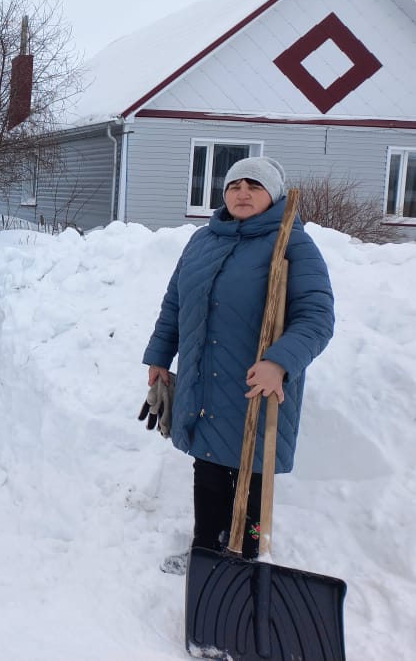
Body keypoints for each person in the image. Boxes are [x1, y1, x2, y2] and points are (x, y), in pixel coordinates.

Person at [140, 156, 334, 573]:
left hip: (257, 382)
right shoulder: (203, 240)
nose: (242, 193)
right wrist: (159, 355)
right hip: (204, 377)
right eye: (234, 185)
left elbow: (316, 317)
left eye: (255, 186)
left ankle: (246, 555)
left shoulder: (292, 243)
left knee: (254, 474)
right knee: (208, 468)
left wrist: (279, 363)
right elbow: (176, 303)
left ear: (274, 195)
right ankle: (206, 552)